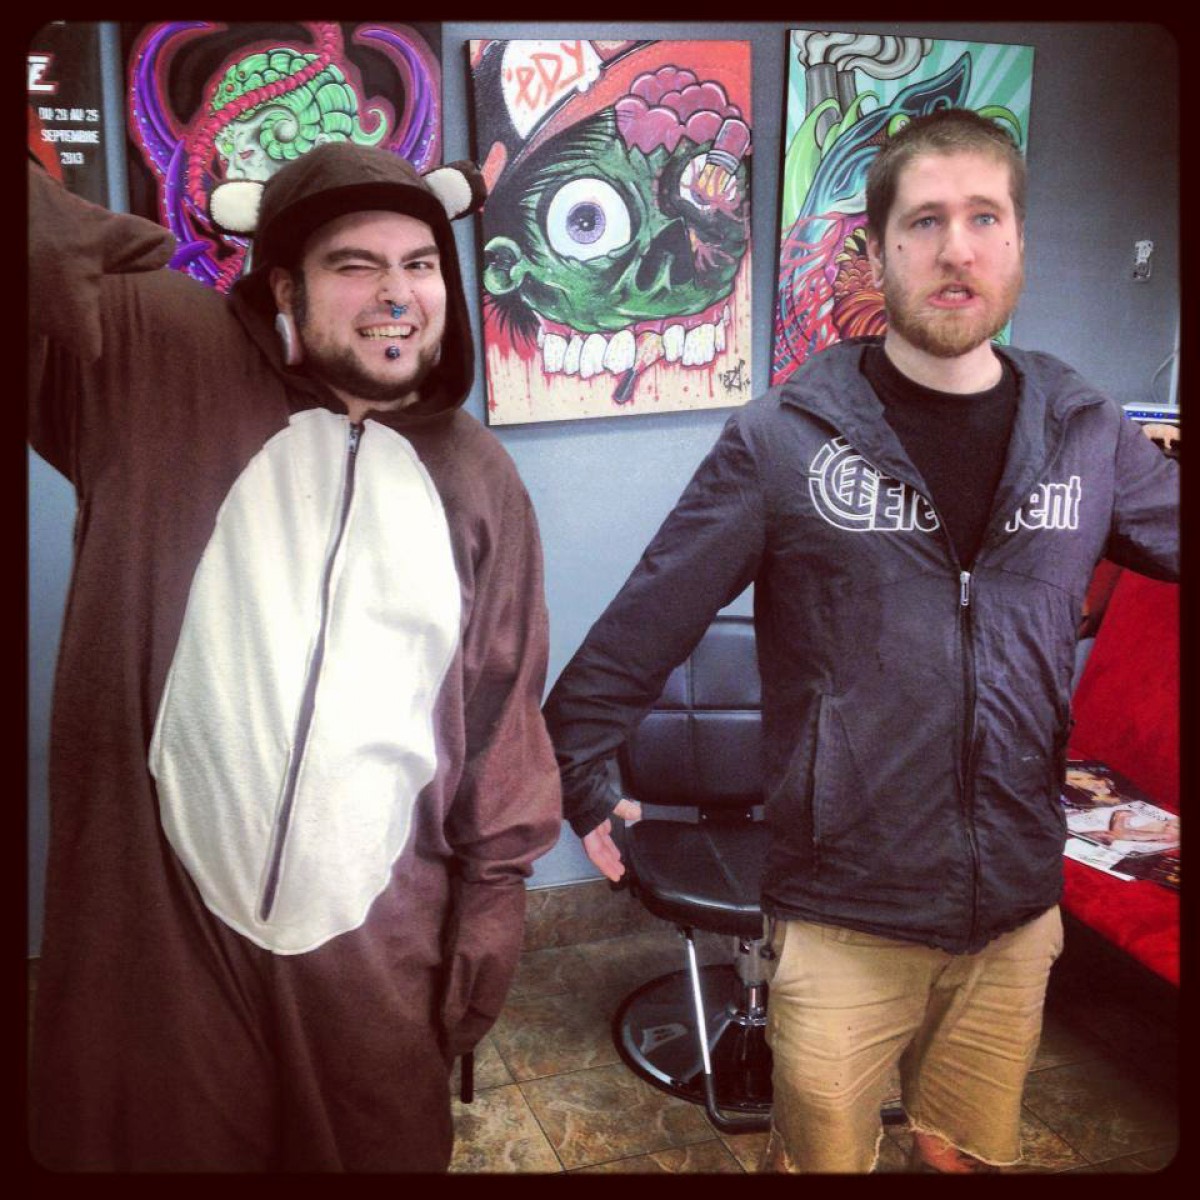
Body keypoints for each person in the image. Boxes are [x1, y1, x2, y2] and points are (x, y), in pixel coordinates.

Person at [542, 108, 1178, 1174]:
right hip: (844, 916)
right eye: (924, 221)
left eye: (984, 217)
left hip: (1015, 911)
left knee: (963, 1155)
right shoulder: (784, 441)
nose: (957, 248)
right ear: (876, 252)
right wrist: (581, 770)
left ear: (1019, 242)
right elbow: (642, 623)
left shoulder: (1087, 433)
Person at [28, 141, 561, 1171]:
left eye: (419, 264)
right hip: (162, 936)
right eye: (355, 265)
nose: (396, 295)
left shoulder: (481, 478)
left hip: (373, 943)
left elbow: (503, 712)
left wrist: (495, 896)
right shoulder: (158, 363)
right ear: (284, 285)